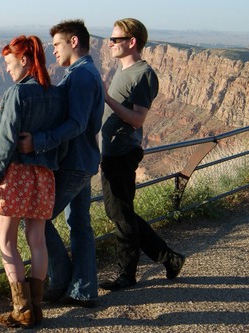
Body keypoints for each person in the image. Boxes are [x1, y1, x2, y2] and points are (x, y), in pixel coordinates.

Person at [0, 35, 66, 328]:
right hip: (45, 176)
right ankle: (37, 308)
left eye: (10, 64)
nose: (7, 70)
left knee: (6, 242)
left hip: (16, 175)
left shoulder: (17, 94)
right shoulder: (56, 93)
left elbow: (5, 141)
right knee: (37, 242)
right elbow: (62, 138)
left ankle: (21, 310)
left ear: (24, 60)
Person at [17, 19, 104, 308]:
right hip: (86, 160)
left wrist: (39, 141)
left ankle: (60, 279)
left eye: (56, 44)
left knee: (34, 219)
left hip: (73, 164)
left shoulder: (80, 76)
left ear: (74, 42)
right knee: (80, 225)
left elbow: (77, 123)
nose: (53, 51)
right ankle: (84, 290)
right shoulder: (88, 72)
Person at [99, 18, 185, 291]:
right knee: (120, 212)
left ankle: (127, 274)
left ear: (131, 41)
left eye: (115, 39)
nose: (109, 43)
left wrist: (107, 98)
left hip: (123, 152)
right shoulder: (125, 72)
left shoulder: (143, 74)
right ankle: (169, 258)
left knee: (121, 214)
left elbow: (137, 119)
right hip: (113, 151)